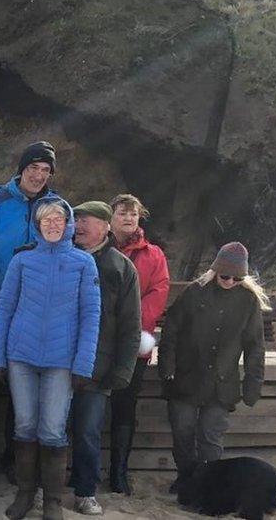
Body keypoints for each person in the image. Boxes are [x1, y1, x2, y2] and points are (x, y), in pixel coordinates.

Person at [0, 198, 101, 520]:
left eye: (58, 219)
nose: (52, 224)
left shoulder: (83, 263)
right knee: (24, 425)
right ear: (38, 225)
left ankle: (52, 499)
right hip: (21, 356)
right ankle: (25, 493)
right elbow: (5, 309)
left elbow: (91, 316)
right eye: (45, 219)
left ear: (67, 224)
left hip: (61, 360)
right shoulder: (22, 262)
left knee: (52, 429)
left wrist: (83, 364)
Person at [0, 141, 59, 479]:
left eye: (45, 170)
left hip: (36, 310)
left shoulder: (56, 207)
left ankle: (10, 460)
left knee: (21, 385)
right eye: (33, 168)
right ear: (21, 169)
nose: (38, 175)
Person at [159, 242, 268, 494]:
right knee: (183, 432)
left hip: (222, 382)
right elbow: (171, 331)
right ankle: (186, 478)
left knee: (211, 436)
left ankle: (208, 483)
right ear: (215, 270)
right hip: (186, 376)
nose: (230, 281)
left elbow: (255, 347)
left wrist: (253, 384)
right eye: (225, 276)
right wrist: (168, 366)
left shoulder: (248, 301)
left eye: (237, 277)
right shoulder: (194, 293)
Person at [69, 201, 141, 515]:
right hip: (59, 361)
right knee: (51, 429)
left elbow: (130, 325)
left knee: (87, 432)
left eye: (87, 220)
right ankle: (47, 488)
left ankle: (85, 491)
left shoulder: (121, 267)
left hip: (98, 367)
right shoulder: (64, 258)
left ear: (105, 226)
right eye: (77, 219)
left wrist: (123, 370)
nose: (80, 225)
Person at [106, 193, 169, 495]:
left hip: (134, 342)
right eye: (122, 213)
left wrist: (129, 326)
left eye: (133, 214)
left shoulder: (153, 255)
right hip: (99, 340)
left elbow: (158, 292)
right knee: (86, 404)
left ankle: (119, 472)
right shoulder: (95, 248)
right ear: (111, 217)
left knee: (125, 405)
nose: (129, 219)